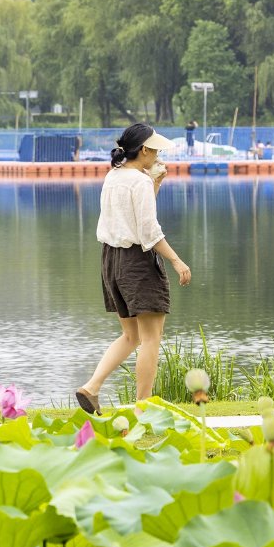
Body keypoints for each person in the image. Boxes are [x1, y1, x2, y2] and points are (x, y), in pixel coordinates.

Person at [75, 123, 192, 411]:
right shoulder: (137, 181)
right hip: (137, 261)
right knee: (151, 338)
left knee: (132, 335)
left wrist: (156, 184)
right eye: (155, 150)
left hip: (111, 260)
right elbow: (148, 232)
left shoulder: (113, 176)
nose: (157, 155)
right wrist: (176, 260)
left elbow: (134, 217)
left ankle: (91, 387)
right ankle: (144, 405)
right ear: (143, 150)